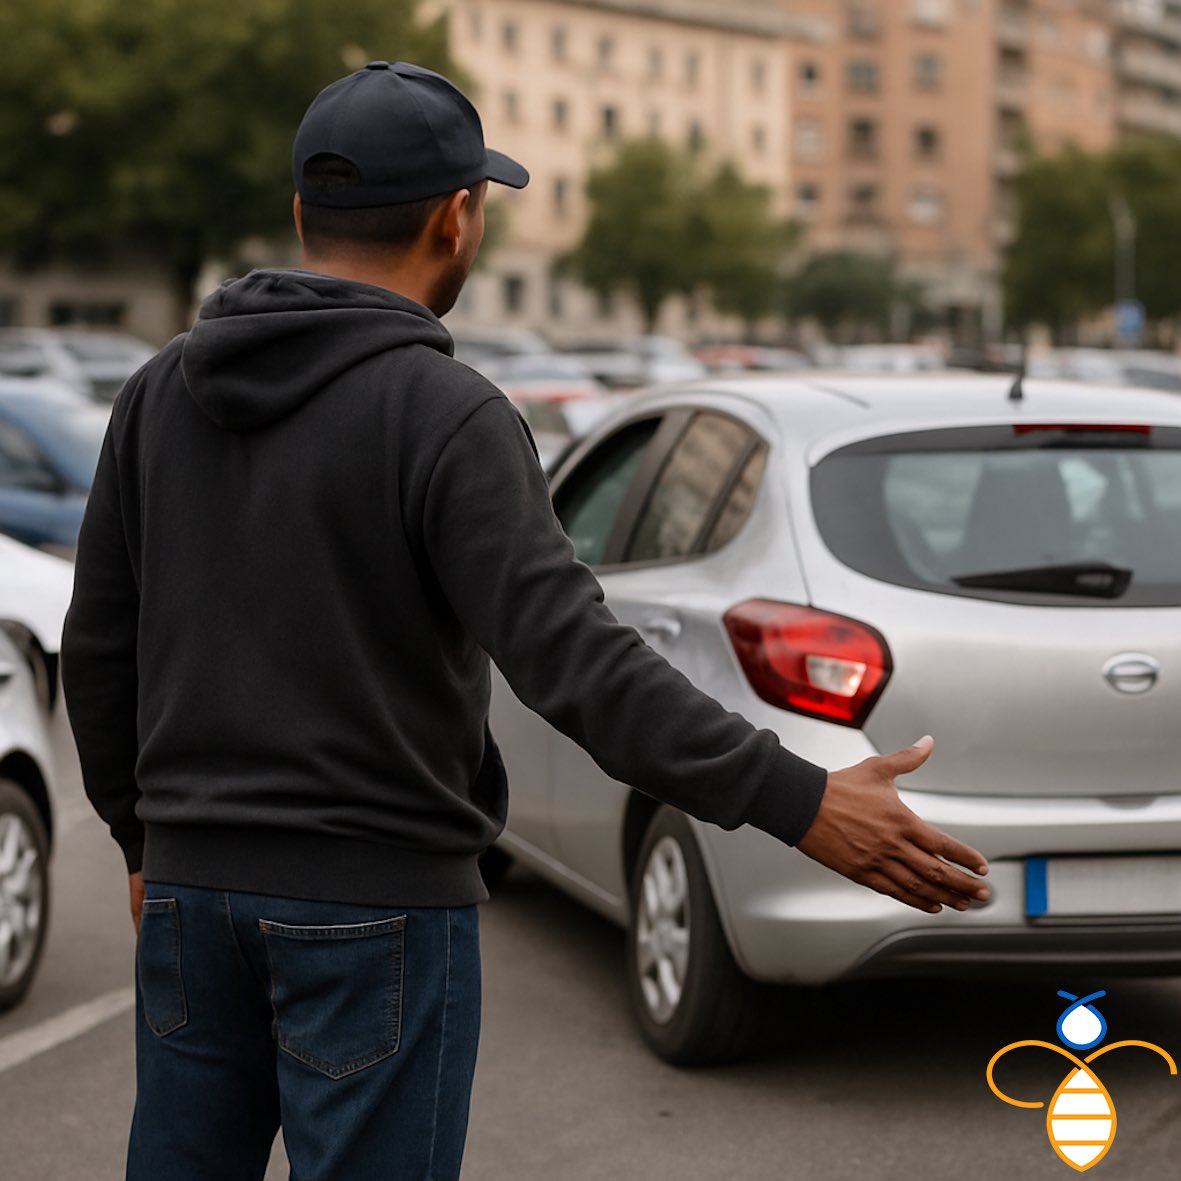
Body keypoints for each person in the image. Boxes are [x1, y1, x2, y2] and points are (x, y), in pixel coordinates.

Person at [61, 61, 990, 1181]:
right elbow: (573, 660)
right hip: (377, 909)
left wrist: (137, 837)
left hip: (190, 897)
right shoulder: (447, 416)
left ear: (304, 214)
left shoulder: (159, 392)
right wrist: (798, 799)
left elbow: (101, 640)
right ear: (457, 221)